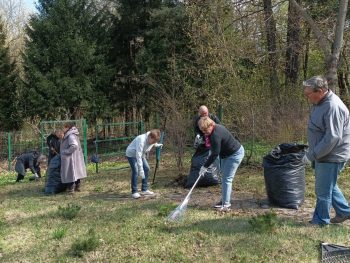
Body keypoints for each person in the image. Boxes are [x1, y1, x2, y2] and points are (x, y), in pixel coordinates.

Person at [303, 75, 350, 226]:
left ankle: (321, 221)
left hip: (332, 155)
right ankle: (344, 212)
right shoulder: (321, 102)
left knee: (323, 191)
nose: (307, 97)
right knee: (328, 185)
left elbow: (332, 137)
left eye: (309, 94)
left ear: (321, 91)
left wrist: (313, 155)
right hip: (324, 154)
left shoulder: (332, 106)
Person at [198, 116, 244, 211]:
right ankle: (224, 200)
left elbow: (215, 153)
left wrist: (204, 166)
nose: (204, 132)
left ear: (211, 125)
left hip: (235, 154)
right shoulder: (213, 130)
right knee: (224, 177)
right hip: (226, 155)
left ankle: (226, 204)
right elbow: (212, 146)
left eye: (205, 130)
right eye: (202, 130)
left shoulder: (216, 134)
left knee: (227, 178)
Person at [126, 129, 163, 199]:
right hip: (131, 154)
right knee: (136, 171)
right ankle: (134, 192)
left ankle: (144, 189)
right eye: (153, 141)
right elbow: (138, 155)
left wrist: (157, 145)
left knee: (146, 168)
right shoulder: (141, 140)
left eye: (155, 141)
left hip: (141, 155)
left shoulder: (151, 139)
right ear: (150, 137)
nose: (153, 143)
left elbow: (152, 143)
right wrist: (141, 170)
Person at [60, 123, 87, 193]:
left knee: (71, 173)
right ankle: (77, 187)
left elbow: (74, 146)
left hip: (70, 158)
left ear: (67, 127)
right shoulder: (72, 134)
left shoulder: (70, 135)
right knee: (76, 172)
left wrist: (65, 151)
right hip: (74, 157)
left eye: (63, 128)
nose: (62, 129)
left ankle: (71, 188)